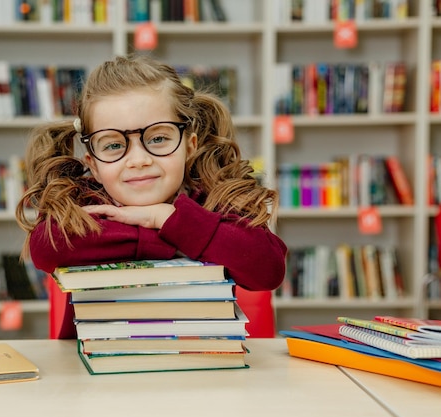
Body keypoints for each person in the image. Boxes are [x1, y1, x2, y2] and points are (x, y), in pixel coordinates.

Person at [16, 54, 287, 338]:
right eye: (113, 145)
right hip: (103, 370)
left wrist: (165, 217)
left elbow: (268, 268)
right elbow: (47, 248)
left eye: (158, 138)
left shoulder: (216, 201)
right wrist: (170, 234)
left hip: (205, 367)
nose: (139, 159)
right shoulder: (83, 204)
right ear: (93, 164)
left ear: (189, 146)